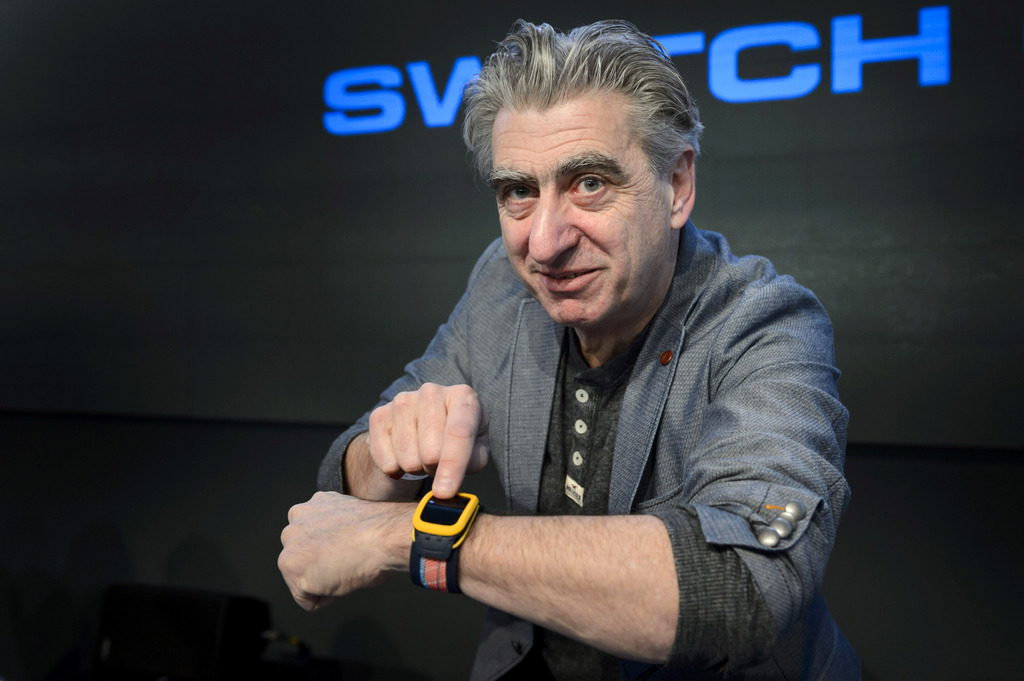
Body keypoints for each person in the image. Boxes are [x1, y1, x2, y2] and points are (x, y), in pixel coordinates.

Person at [279, 19, 859, 681]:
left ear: (676, 185)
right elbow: (347, 483)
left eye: (589, 182)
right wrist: (386, 461)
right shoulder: (502, 284)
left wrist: (407, 536)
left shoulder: (765, 322)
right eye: (519, 191)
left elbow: (741, 584)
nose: (544, 243)